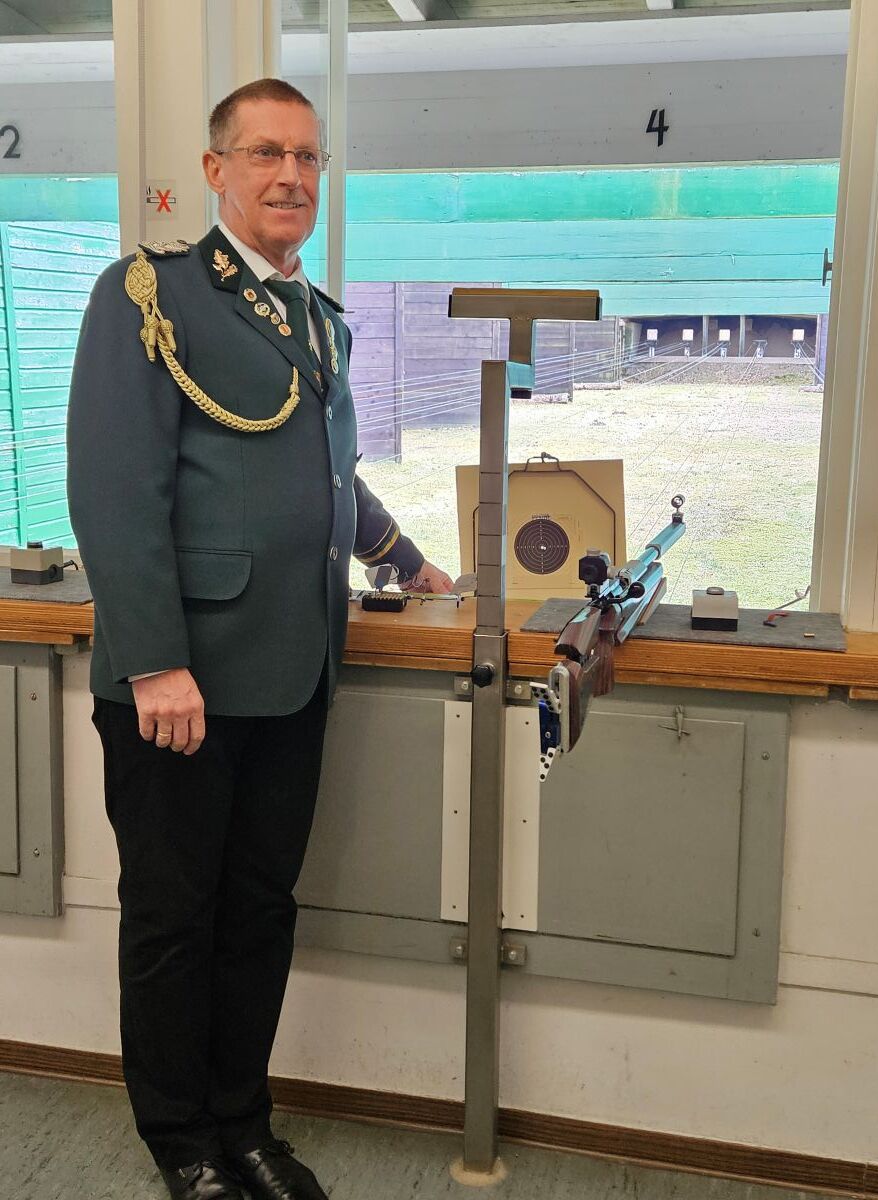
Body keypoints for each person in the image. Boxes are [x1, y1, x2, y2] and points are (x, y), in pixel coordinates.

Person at [67, 77, 453, 1200]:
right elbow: (113, 490)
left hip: (295, 670)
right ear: (216, 172)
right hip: (180, 683)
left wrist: (406, 560)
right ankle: (180, 1142)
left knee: (260, 913)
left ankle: (243, 1123)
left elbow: (327, 472)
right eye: (266, 153)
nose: (292, 175)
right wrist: (155, 660)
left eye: (308, 157)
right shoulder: (149, 295)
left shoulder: (315, 317)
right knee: (174, 920)